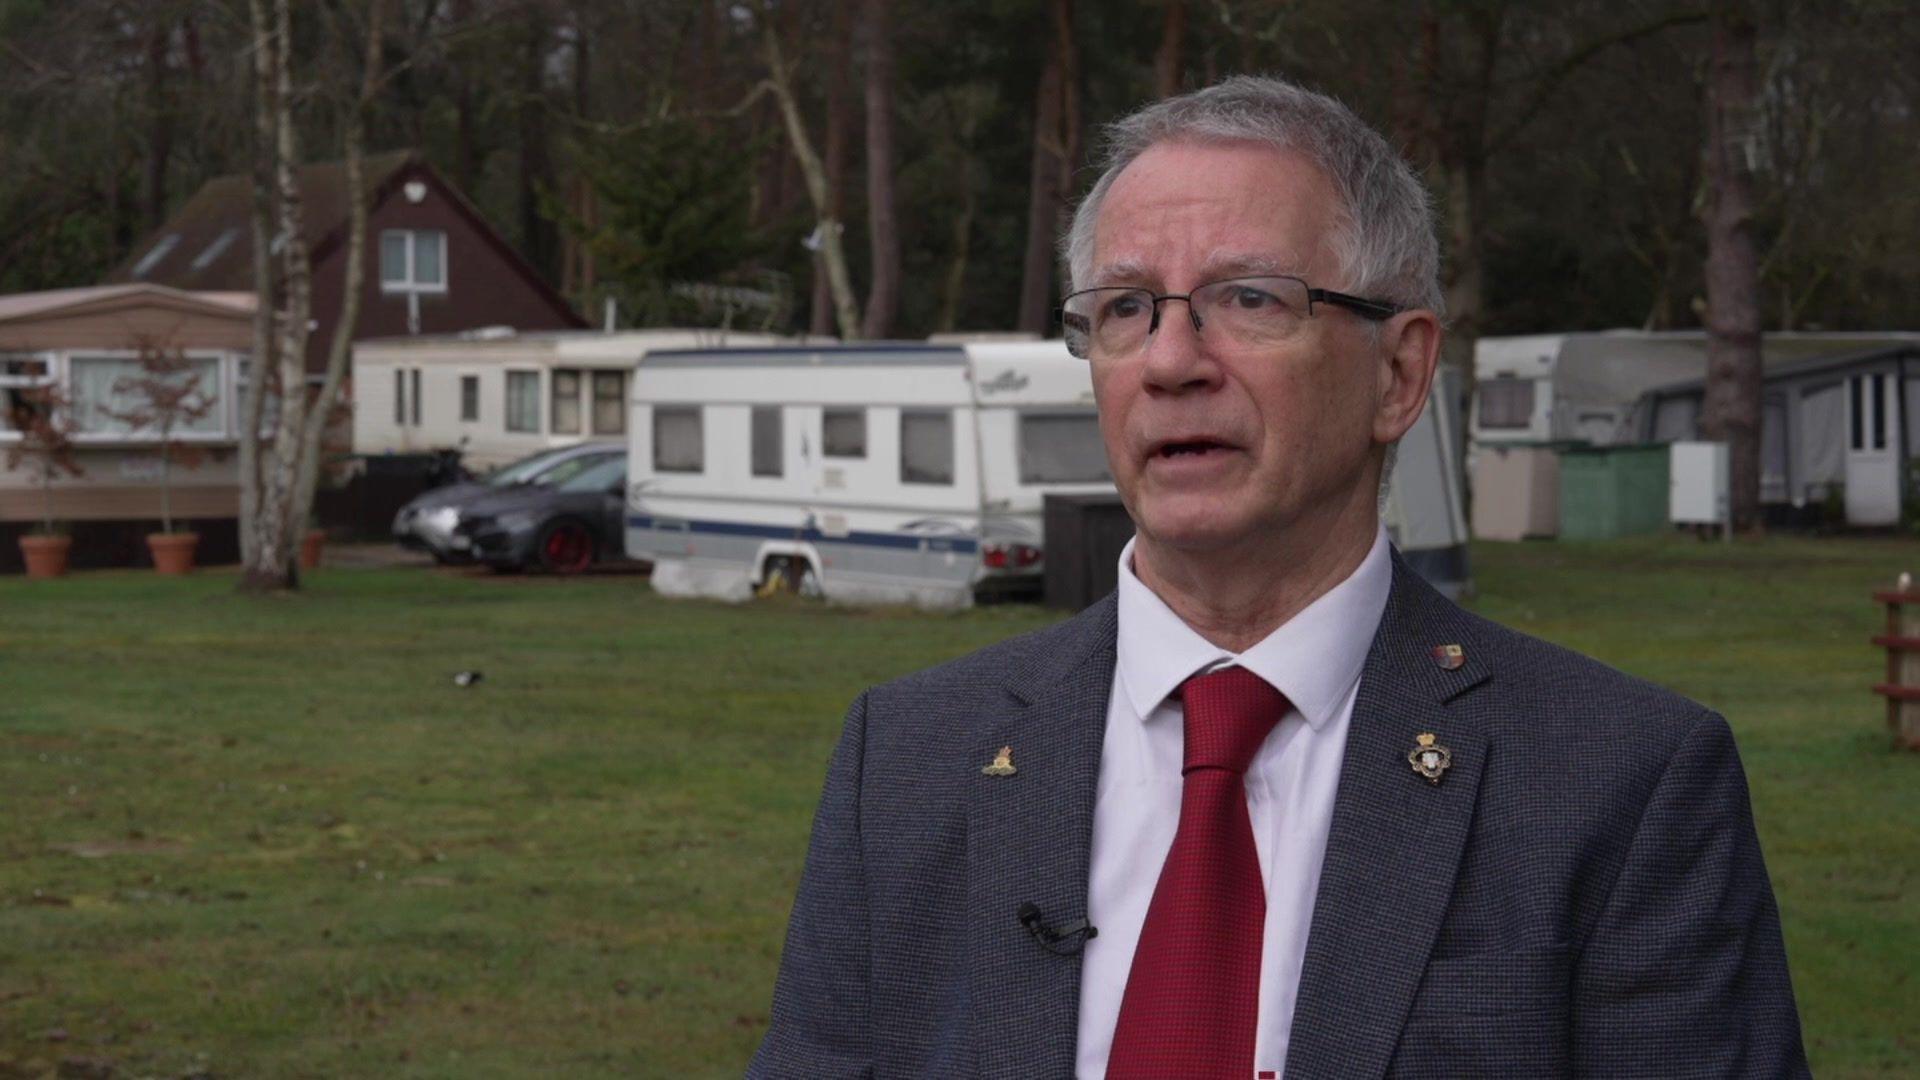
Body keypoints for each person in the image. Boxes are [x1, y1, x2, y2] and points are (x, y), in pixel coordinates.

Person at [749, 75, 1807, 1079]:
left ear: (1398, 374)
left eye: (1247, 298)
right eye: (1124, 308)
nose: (1170, 361)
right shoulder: (907, 761)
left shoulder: (1620, 785)